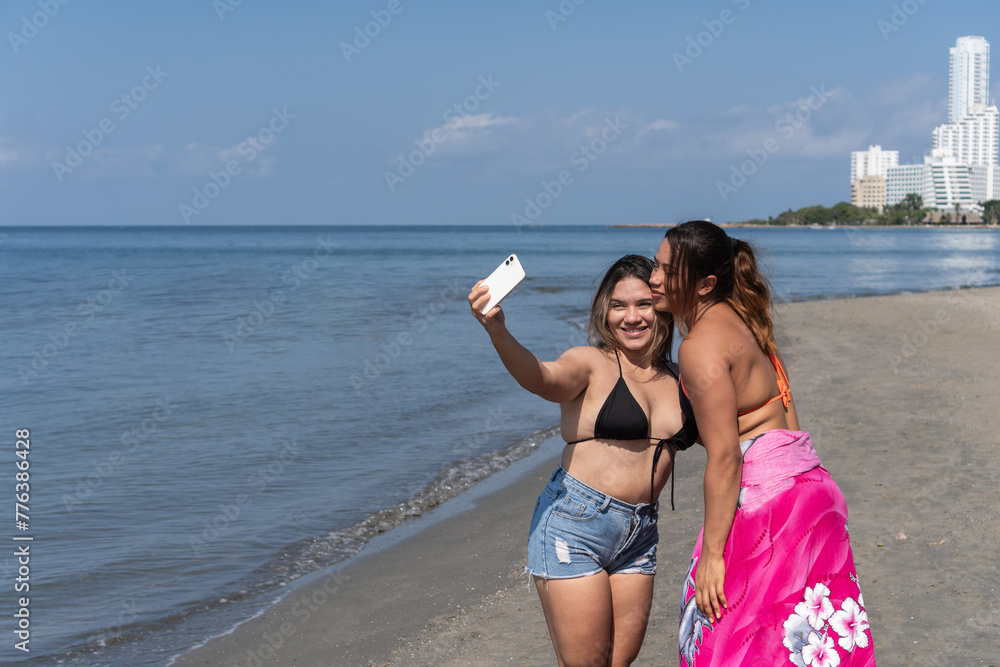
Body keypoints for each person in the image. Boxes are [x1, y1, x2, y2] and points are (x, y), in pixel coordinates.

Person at [648, 221, 876, 666]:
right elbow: (787, 417)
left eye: (667, 271)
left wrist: (713, 555)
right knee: (811, 647)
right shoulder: (745, 318)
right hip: (812, 489)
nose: (654, 278)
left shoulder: (698, 347)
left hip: (769, 503)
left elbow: (727, 456)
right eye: (656, 266)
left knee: (722, 639)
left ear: (705, 284)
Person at [468, 255, 697, 667]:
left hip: (640, 534)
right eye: (618, 305)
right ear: (604, 312)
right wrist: (498, 332)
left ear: (662, 305)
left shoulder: (681, 378)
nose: (632, 317)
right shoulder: (590, 363)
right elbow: (541, 378)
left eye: (644, 304)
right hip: (575, 525)